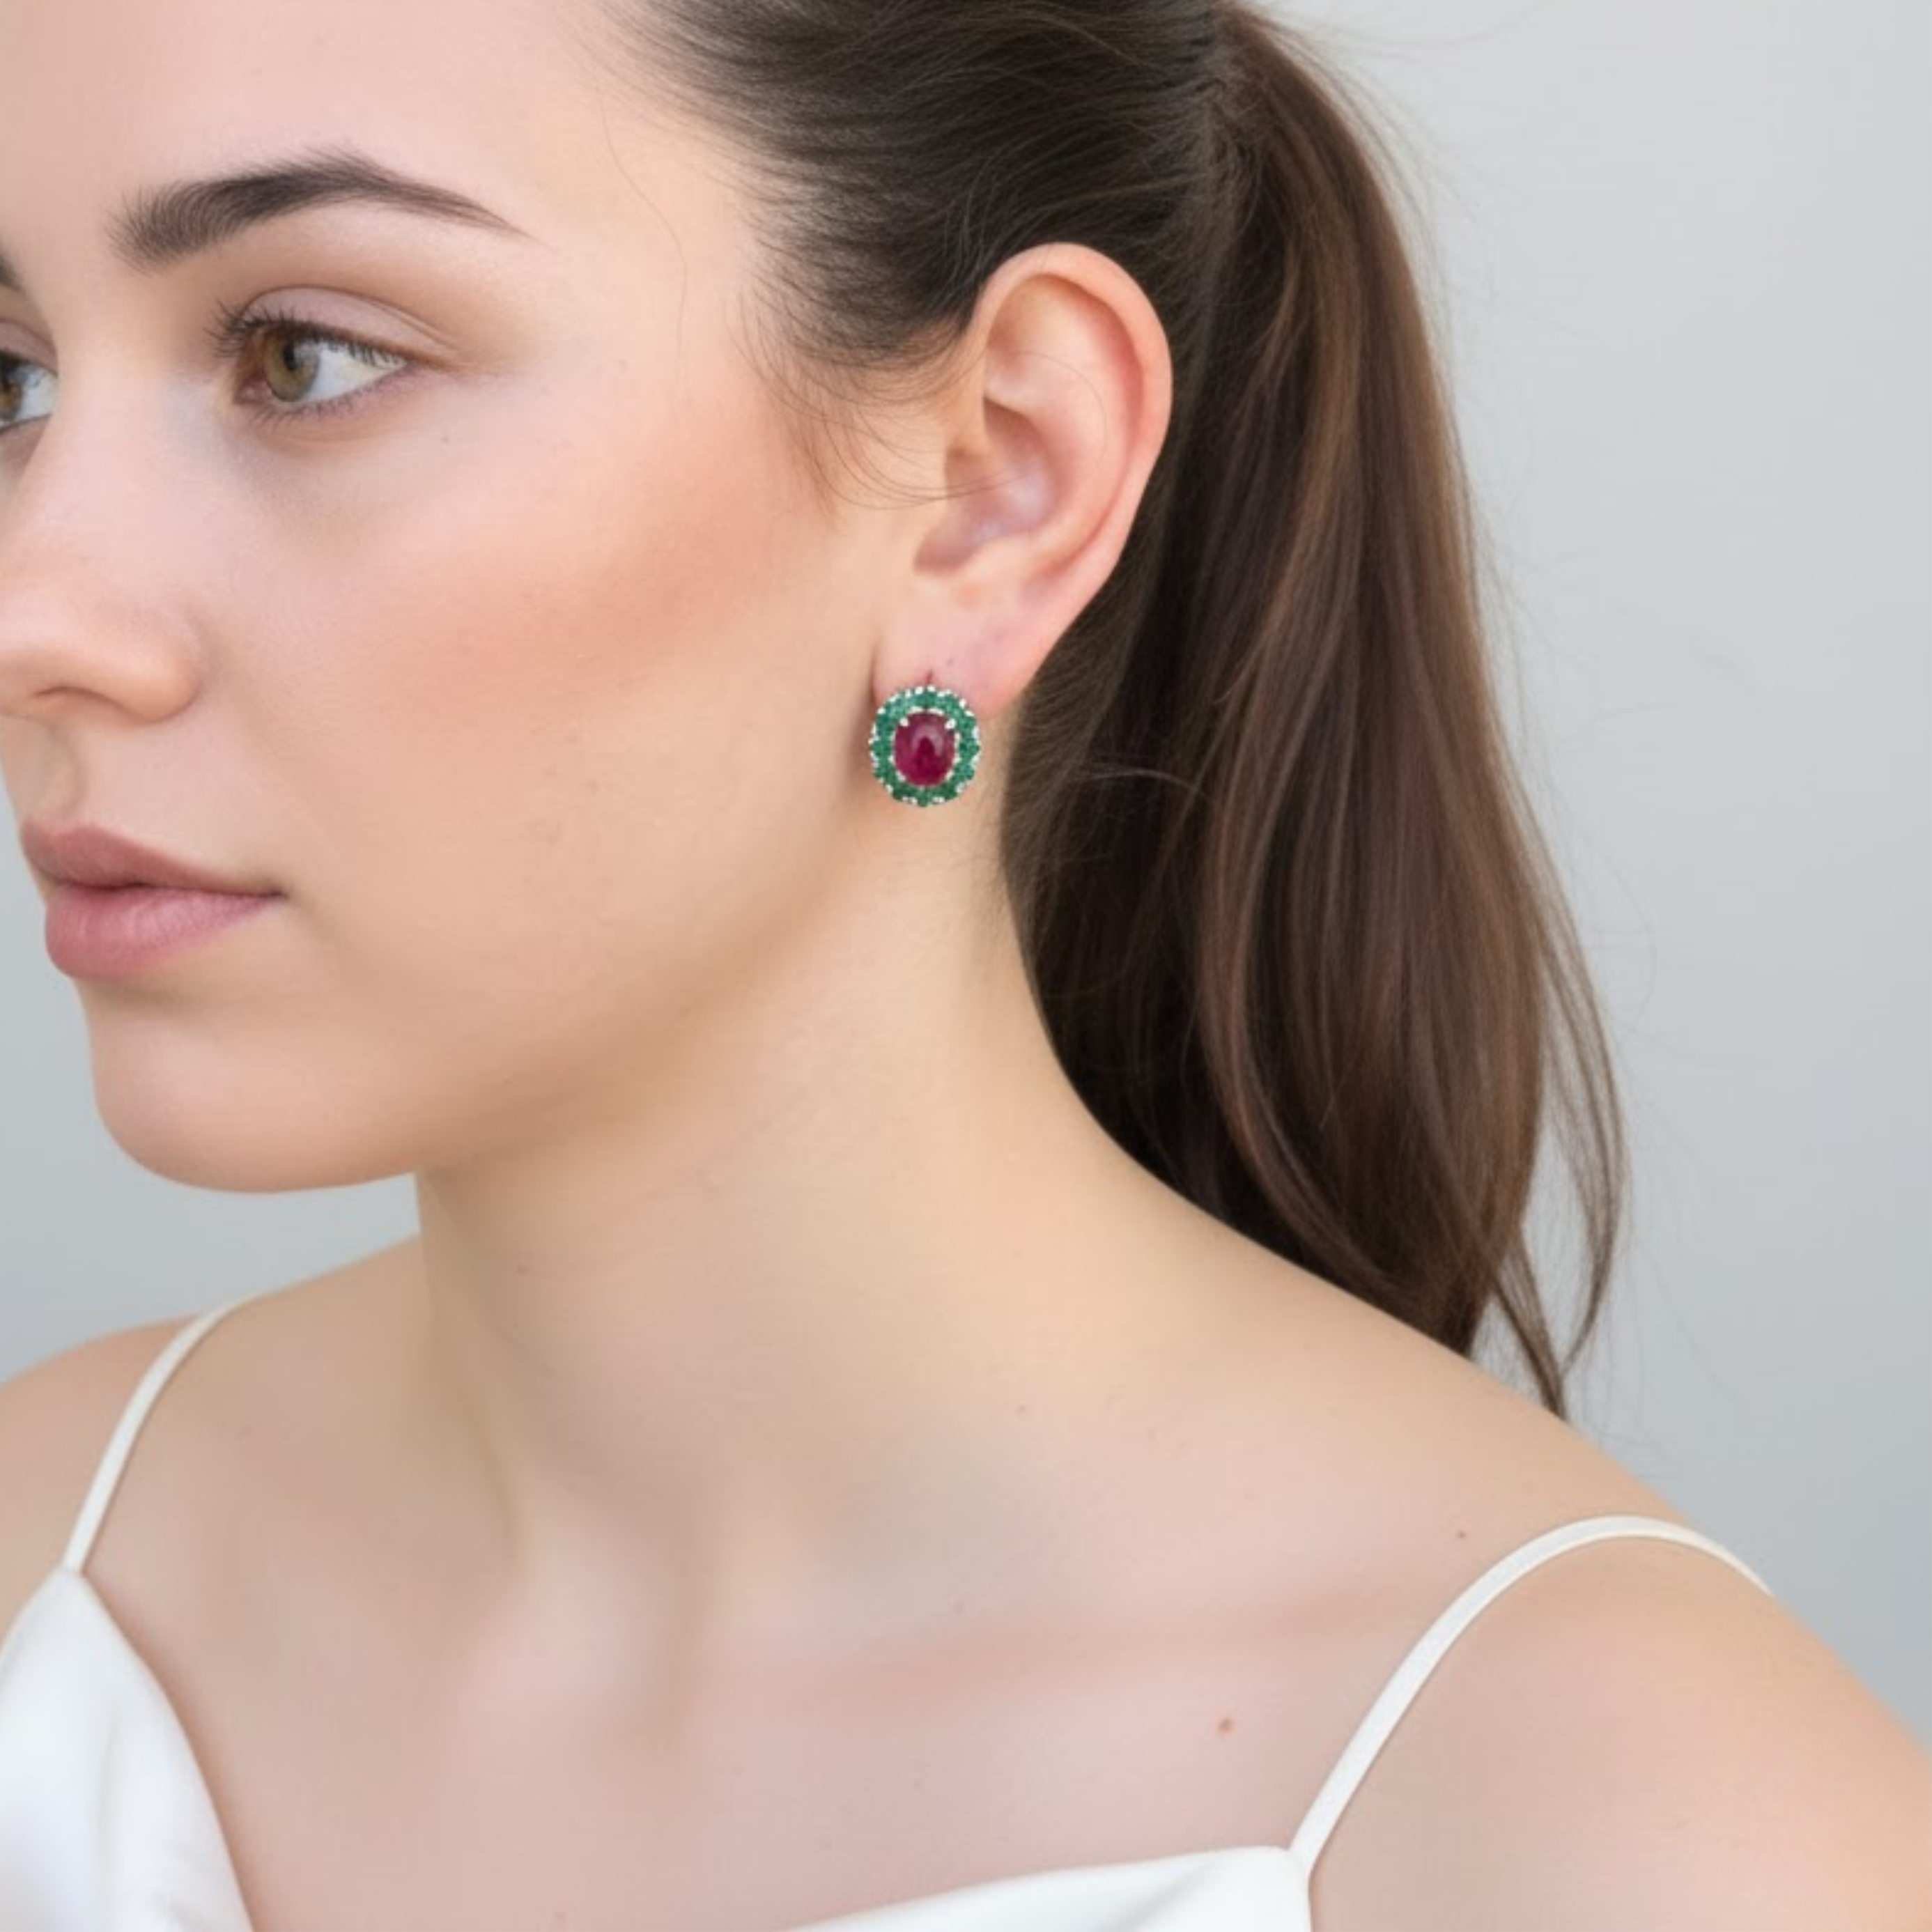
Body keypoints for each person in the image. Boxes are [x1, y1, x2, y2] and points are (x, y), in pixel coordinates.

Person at [0, 0, 1926, 1925]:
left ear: (998, 477)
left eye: (306, 357)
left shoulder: (1641, 1848)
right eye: (12, 379)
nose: (37, 617)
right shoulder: (38, 1550)